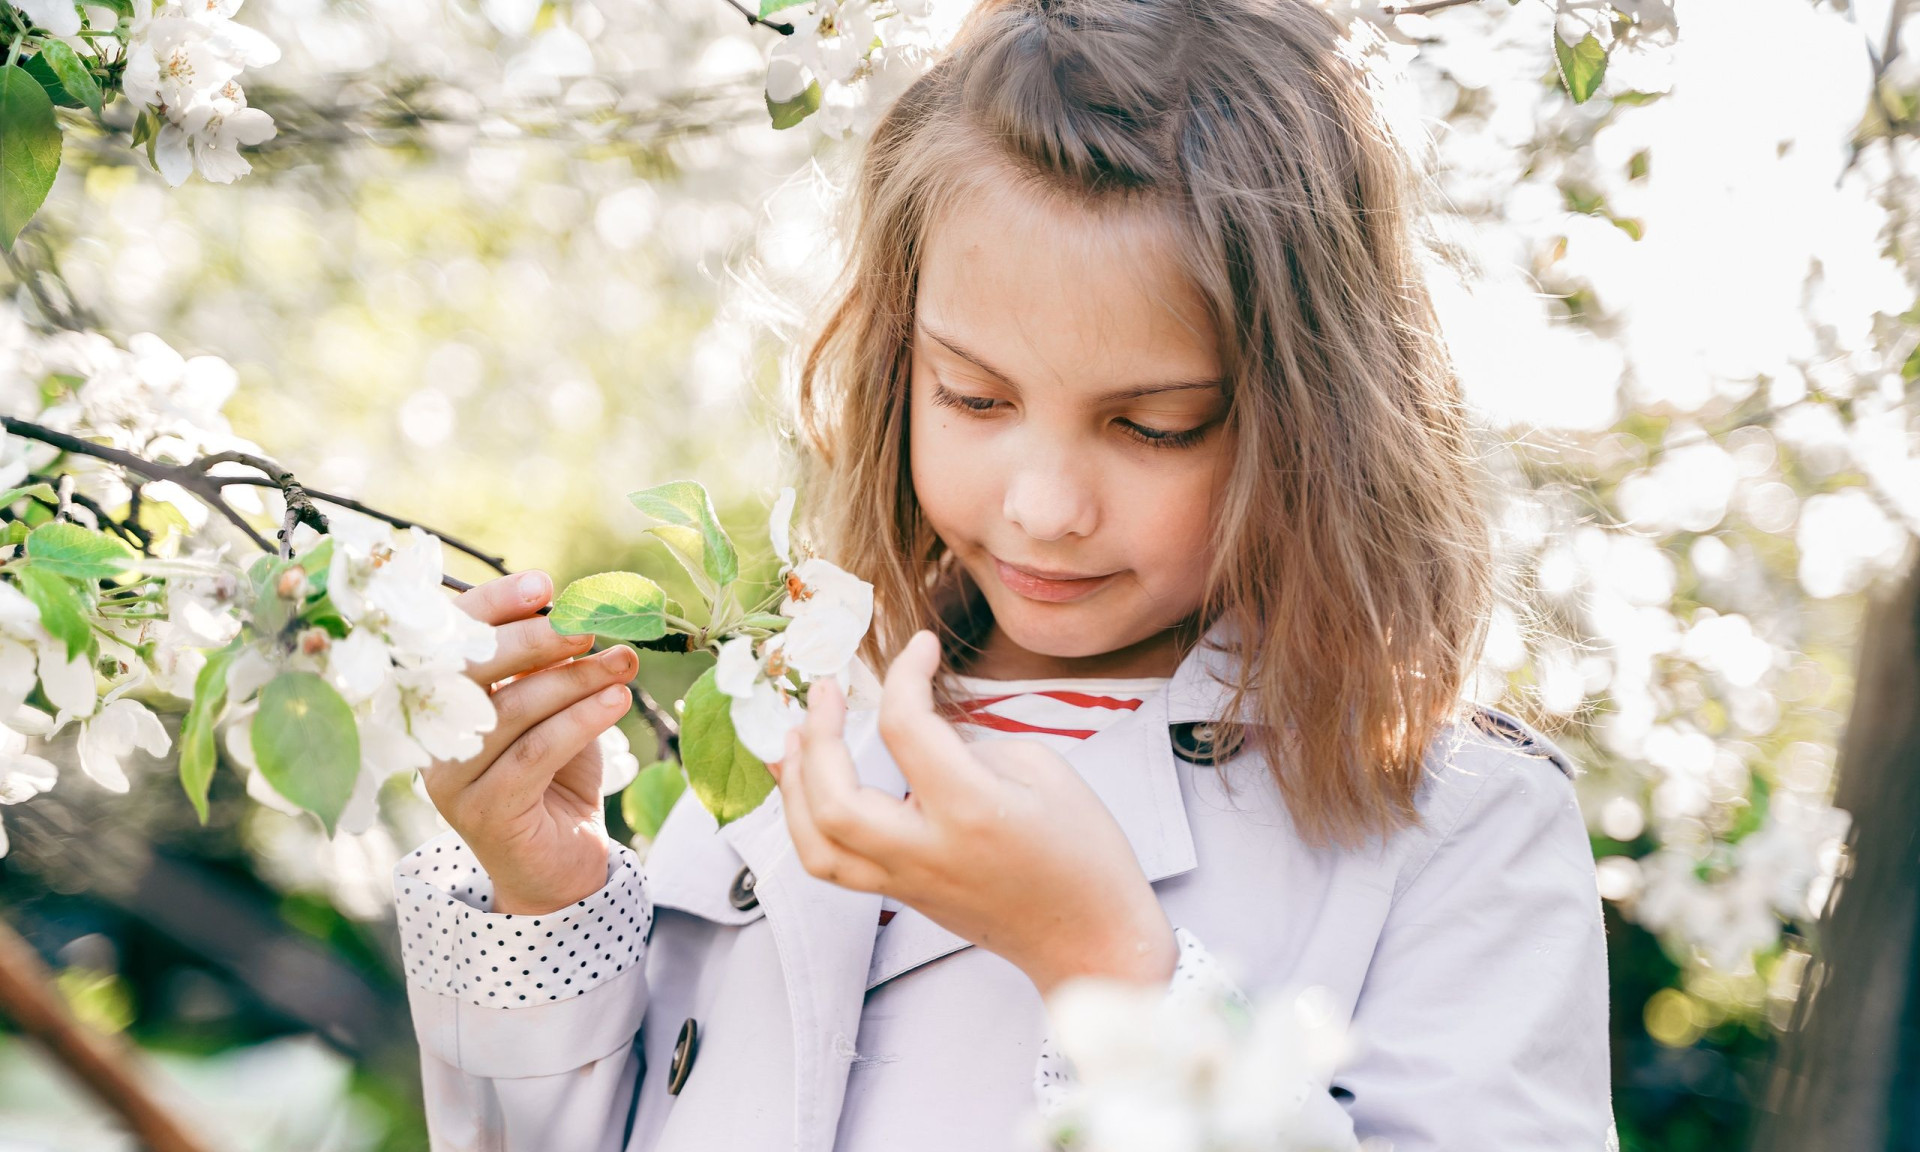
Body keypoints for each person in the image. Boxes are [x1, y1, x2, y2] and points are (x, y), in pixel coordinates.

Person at [392, 0, 1615, 1148]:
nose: (1044, 507)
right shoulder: (789, 730)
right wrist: (547, 901)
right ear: (895, 365)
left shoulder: (1454, 831)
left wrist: (1108, 975)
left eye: (1154, 426)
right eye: (975, 398)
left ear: (1316, 421)